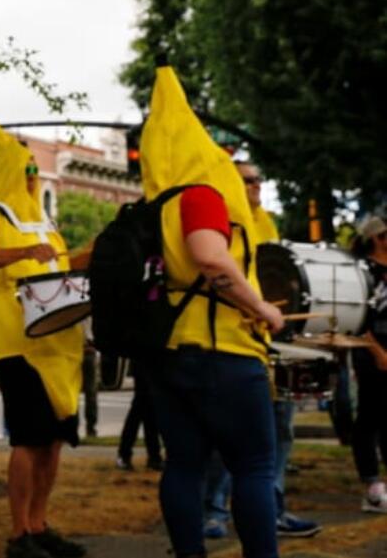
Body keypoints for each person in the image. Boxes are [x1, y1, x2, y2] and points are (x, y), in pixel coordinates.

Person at [137, 66, 285, 558]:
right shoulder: (201, 195)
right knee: (254, 467)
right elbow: (209, 258)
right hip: (224, 353)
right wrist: (261, 306)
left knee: (183, 464)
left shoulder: (156, 207)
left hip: (170, 356)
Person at [0, 117, 86, 558]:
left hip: (60, 350)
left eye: (36, 170)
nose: (33, 178)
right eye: (27, 169)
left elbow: (65, 263)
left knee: (52, 444)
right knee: (28, 442)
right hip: (20, 348)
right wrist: (22, 252)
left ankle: (39, 523)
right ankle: (19, 535)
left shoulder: (46, 223)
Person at [202, 161, 320, 539]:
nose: (256, 186)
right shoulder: (222, 217)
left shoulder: (266, 222)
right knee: (231, 433)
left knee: (281, 427)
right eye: (247, 180)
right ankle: (214, 510)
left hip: (272, 338)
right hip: (234, 340)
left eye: (258, 179)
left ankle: (272, 508)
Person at [351, 214, 387, 513]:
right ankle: (372, 484)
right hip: (370, 346)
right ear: (378, 238)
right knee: (371, 414)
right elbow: (358, 316)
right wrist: (376, 351)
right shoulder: (362, 270)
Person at [115, 361, 162, 471]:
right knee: (140, 410)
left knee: (146, 410)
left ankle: (152, 455)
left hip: (148, 363)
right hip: (145, 362)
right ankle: (127, 454)